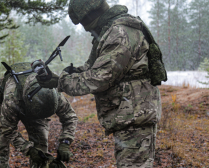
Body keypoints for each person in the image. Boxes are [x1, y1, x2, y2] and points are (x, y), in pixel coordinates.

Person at [36, 0, 167, 167]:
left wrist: (60, 82)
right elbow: (94, 67)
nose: (87, 29)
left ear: (92, 15)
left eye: (86, 24)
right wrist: (67, 74)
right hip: (129, 115)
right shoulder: (109, 31)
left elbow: (101, 77)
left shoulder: (120, 32)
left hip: (134, 115)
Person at [0, 62, 78, 168]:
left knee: (40, 150)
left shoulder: (55, 96)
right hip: (6, 98)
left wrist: (65, 142)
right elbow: (7, 128)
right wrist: (28, 149)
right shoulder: (12, 99)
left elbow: (70, 117)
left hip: (34, 105)